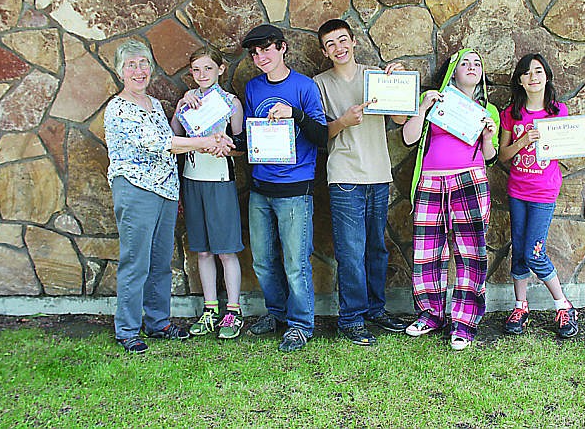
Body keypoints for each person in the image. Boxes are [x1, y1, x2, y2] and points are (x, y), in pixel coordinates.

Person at [104, 40, 234, 353]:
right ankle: (128, 329)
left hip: (163, 192)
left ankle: (158, 322)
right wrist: (206, 142)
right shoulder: (118, 108)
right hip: (136, 190)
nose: (139, 71)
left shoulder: (154, 104)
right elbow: (162, 144)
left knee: (161, 262)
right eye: (131, 65)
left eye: (143, 64)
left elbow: (170, 144)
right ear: (120, 71)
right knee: (136, 263)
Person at [313, 19, 407, 346]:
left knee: (376, 249)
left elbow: (399, 118)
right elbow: (316, 134)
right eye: (331, 45)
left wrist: (400, 84)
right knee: (350, 251)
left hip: (378, 174)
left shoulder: (377, 76)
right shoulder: (319, 84)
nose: (338, 48)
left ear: (353, 42)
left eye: (342, 41)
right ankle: (351, 317)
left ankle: (375, 309)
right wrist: (343, 121)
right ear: (325, 52)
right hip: (344, 176)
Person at [499, 53, 585, 338]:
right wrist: (523, 140)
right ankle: (520, 306)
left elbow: (569, 144)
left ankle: (563, 304)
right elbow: (502, 155)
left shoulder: (559, 111)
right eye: (527, 72)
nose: (533, 77)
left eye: (538, 71)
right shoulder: (511, 114)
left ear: (546, 77)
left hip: (544, 192)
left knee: (535, 252)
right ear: (519, 80)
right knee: (520, 252)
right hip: (517, 191)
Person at [402, 48, 499, 350]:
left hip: (469, 181)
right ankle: (431, 314)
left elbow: (491, 156)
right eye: (464, 63)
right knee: (427, 252)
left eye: (477, 64)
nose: (471, 68)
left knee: (470, 254)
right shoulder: (434, 100)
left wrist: (487, 136)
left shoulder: (488, 110)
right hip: (431, 182)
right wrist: (422, 109)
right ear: (453, 71)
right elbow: (408, 138)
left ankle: (464, 323)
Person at [241, 24, 328, 352]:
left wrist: (295, 115)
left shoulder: (304, 87)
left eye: (266, 50)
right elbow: (250, 136)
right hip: (261, 187)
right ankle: (277, 315)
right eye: (255, 53)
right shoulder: (252, 88)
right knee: (262, 260)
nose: (260, 57)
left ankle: (301, 325)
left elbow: (322, 137)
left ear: (282, 48)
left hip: (295, 188)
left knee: (295, 262)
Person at [170, 46, 245, 340]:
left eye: (208, 69)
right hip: (192, 178)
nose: (202, 75)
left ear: (220, 69)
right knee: (202, 250)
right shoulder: (188, 101)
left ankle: (233, 310)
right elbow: (173, 136)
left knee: (225, 250)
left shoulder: (230, 102)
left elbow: (240, 144)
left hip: (220, 178)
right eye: (197, 70)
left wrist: (227, 144)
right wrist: (180, 108)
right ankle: (210, 308)